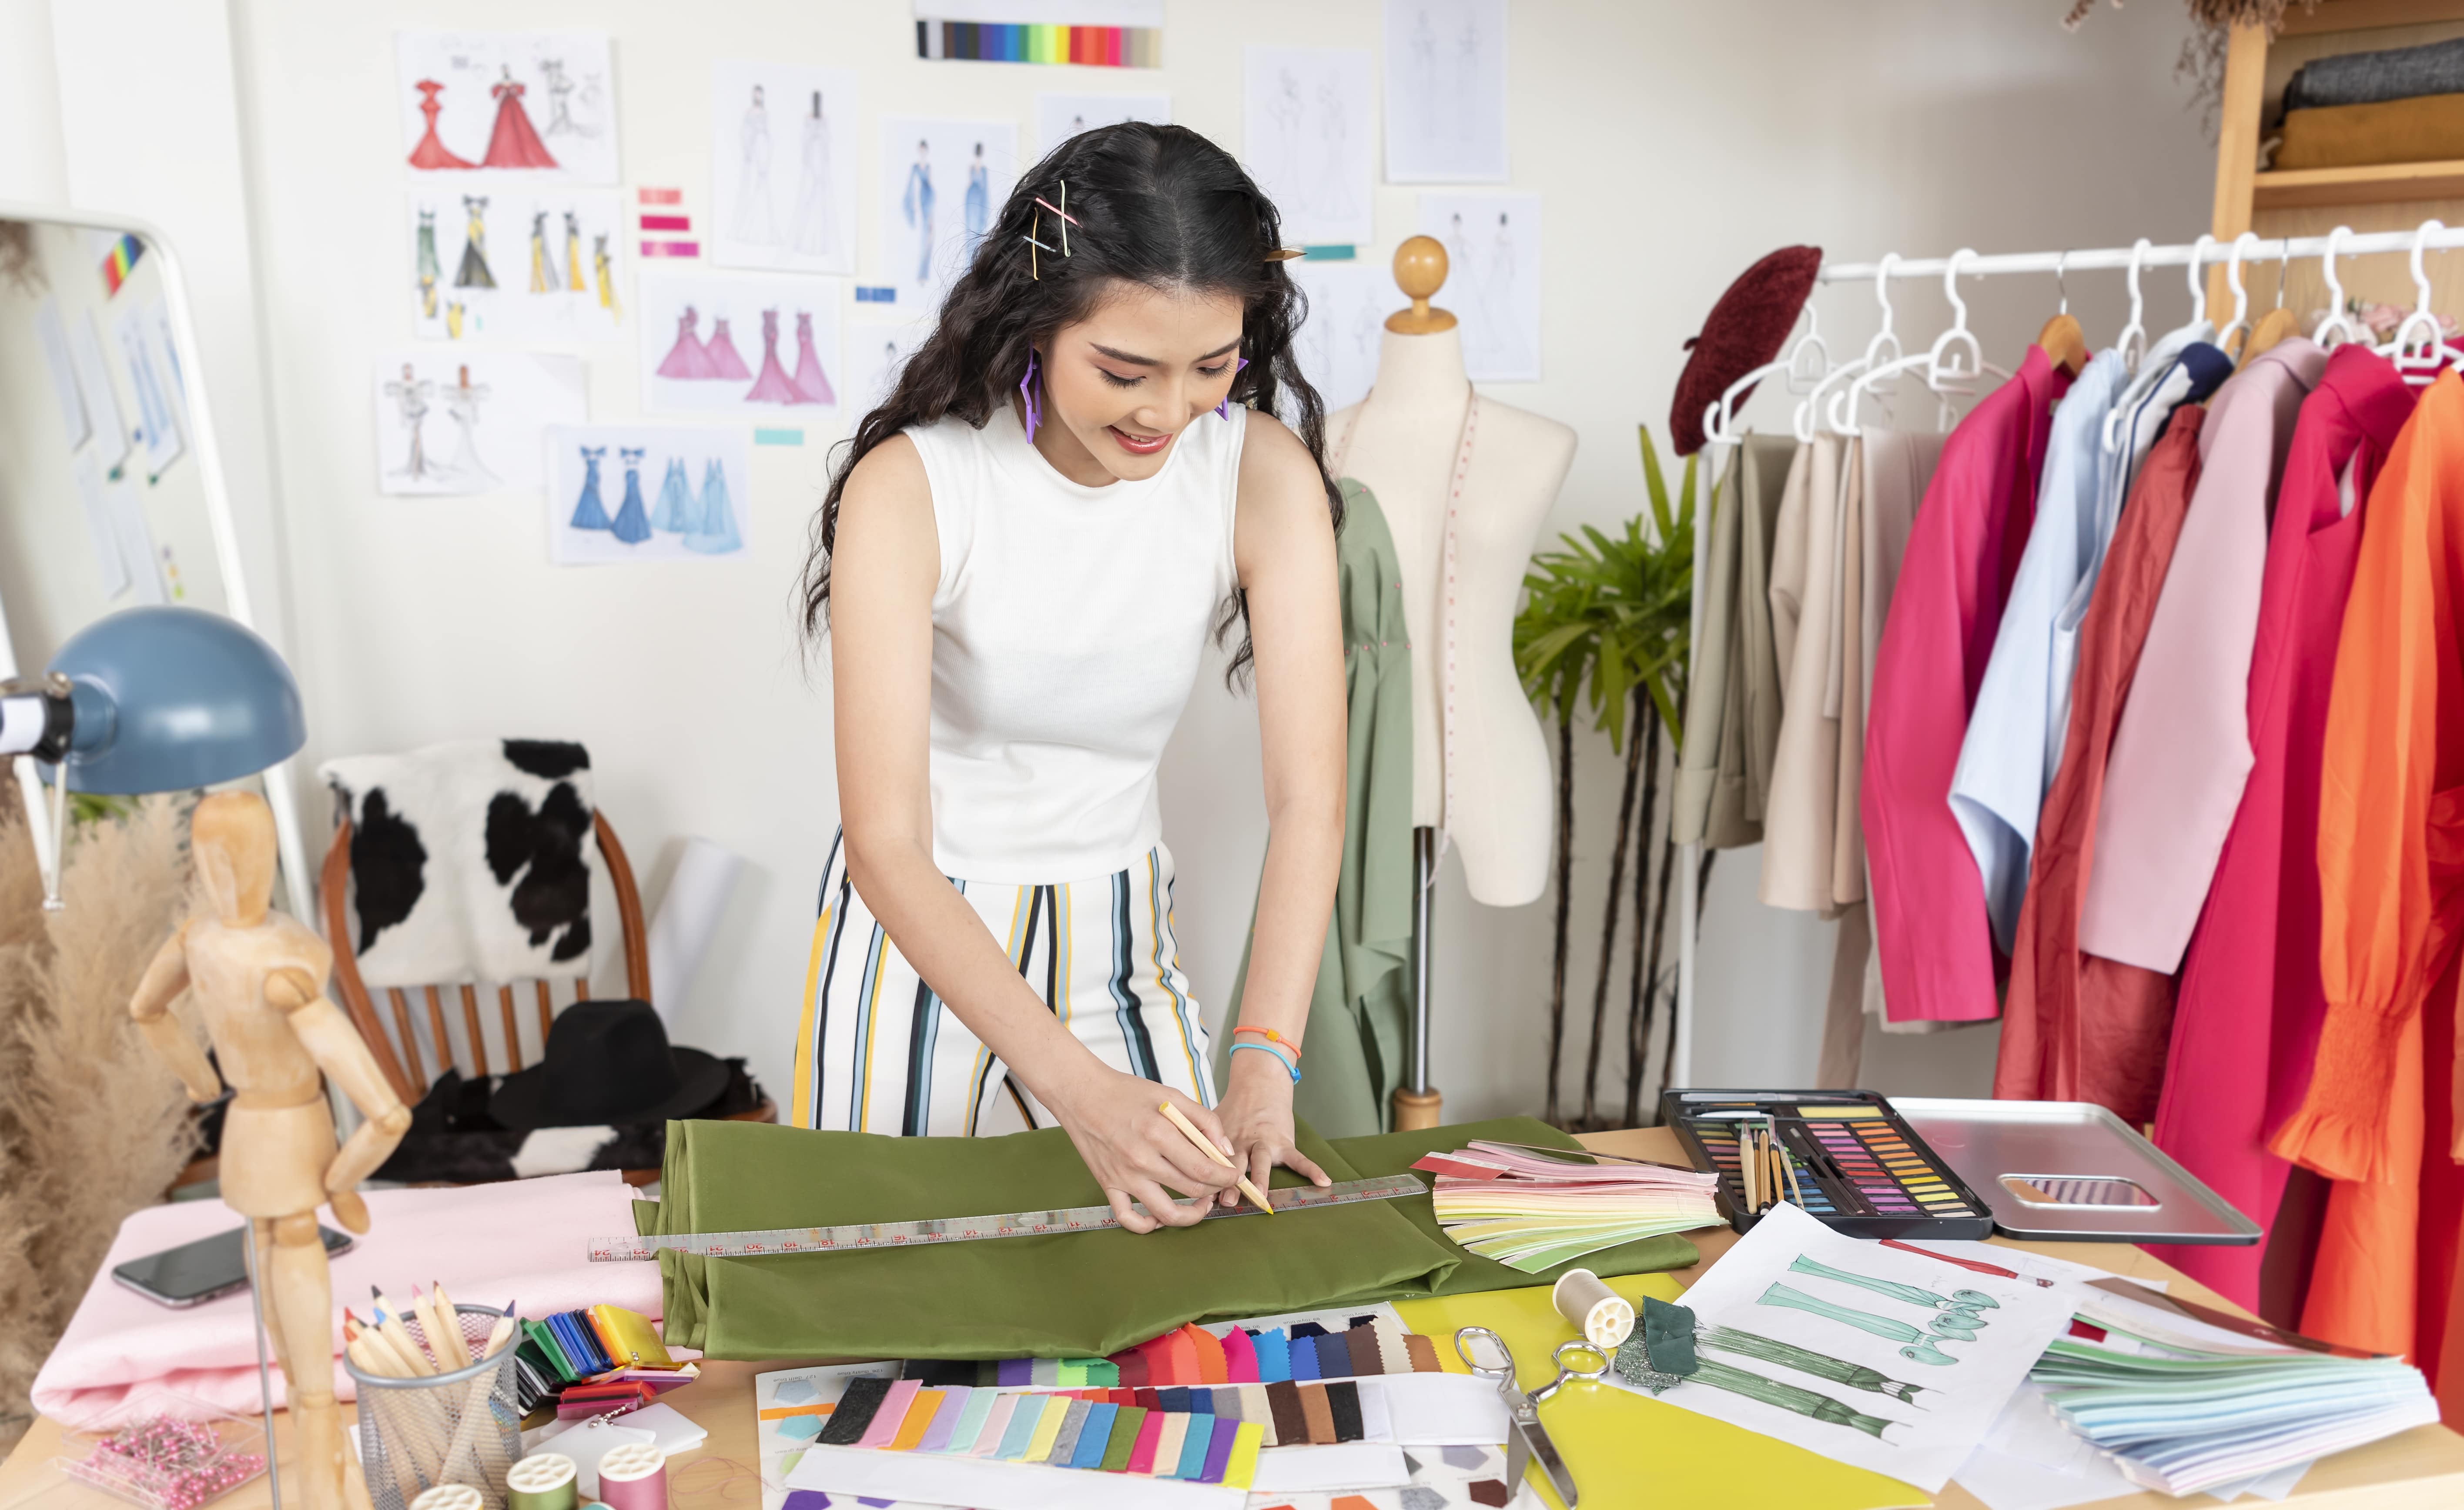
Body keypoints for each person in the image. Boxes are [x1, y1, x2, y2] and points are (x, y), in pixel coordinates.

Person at [795, 123, 1346, 1234]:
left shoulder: (1261, 475)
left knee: (1189, 1290)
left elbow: (1311, 800)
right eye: (1125, 370)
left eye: (1211, 366)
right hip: (920, 934)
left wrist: (1263, 1058)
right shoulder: (916, 485)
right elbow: (886, 843)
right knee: (877, 1311)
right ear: (1037, 322)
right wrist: (1081, 1095)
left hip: (1122, 929)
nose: (1165, 414)